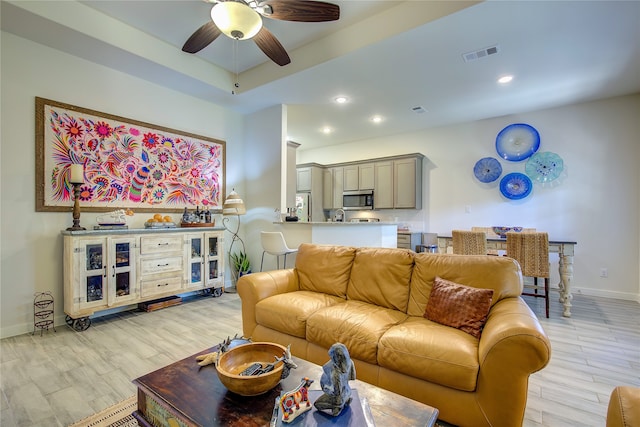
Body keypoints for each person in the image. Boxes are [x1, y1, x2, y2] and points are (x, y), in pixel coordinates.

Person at [313, 342, 356, 416]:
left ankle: (337, 407)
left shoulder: (336, 374)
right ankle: (346, 399)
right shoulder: (350, 362)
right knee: (342, 394)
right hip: (347, 390)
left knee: (316, 404)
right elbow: (353, 377)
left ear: (337, 358)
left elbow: (337, 392)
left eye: (332, 358)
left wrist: (326, 387)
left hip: (337, 398)